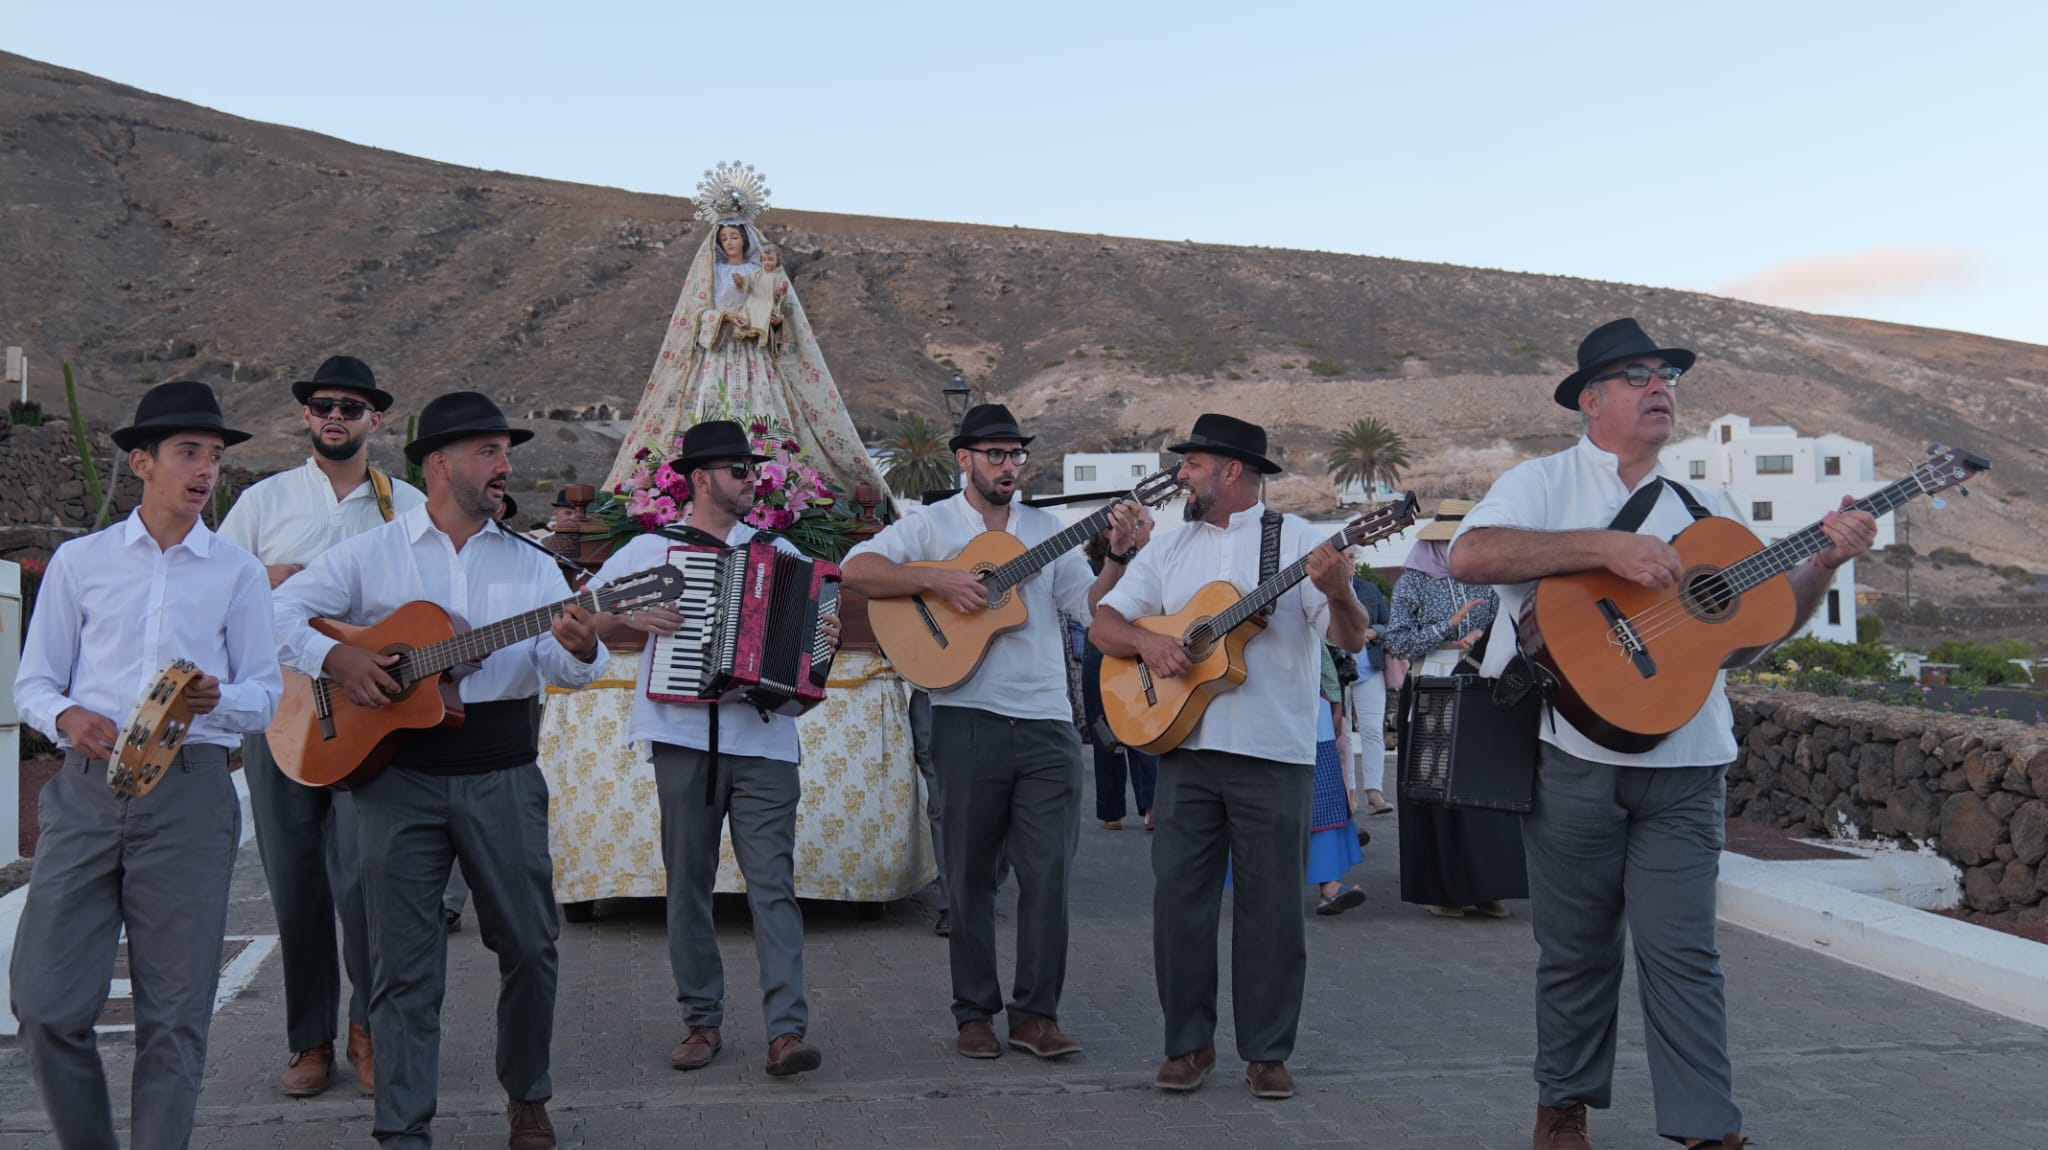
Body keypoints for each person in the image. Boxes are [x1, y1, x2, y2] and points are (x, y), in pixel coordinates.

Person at [1450, 317, 1877, 1150]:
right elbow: (1471, 556)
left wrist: (1823, 563)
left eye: (1668, 376)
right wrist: (1603, 548)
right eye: (1638, 375)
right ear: (1592, 399)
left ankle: (1705, 1126)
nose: (1660, 388)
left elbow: (1745, 635)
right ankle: (1563, 1105)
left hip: (1689, 760)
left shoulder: (1706, 510)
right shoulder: (1540, 483)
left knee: (1685, 952)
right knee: (1576, 949)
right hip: (1571, 750)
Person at [272, 392, 608, 1150]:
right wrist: (341, 658)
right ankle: (402, 1127)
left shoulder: (535, 562)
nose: (505, 466)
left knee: (529, 944)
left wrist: (585, 645)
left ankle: (527, 1093)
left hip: (502, 767)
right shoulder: (373, 553)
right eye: (490, 451)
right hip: (396, 777)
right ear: (439, 463)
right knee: (400, 964)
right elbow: (278, 614)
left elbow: (565, 664)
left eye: (504, 452)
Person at [11, 380, 283, 1150]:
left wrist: (212, 698)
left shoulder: (236, 572)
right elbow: (33, 683)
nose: (206, 470)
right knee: (44, 1002)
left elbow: (264, 699)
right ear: (141, 462)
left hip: (191, 795)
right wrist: (65, 715)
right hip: (86, 794)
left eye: (216, 457)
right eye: (189, 453)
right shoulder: (79, 563)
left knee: (174, 1013)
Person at [843, 403, 1150, 1062]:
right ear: (965, 460)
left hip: (1047, 723)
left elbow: (1091, 612)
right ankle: (974, 1013)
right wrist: (939, 578)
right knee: (970, 876)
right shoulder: (931, 526)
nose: (1008, 466)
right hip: (966, 717)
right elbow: (857, 570)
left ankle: (1037, 1014)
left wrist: (1118, 560)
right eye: (995, 455)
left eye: (1015, 455)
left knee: (1049, 877)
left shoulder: (1049, 529)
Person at [1091, 412, 1370, 1101]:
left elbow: (1354, 637)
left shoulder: (1301, 543)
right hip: (1183, 749)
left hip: (1275, 753)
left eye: (1191, 465)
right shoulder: (1169, 548)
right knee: (1178, 906)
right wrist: (1149, 646)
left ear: (1231, 472)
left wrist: (1338, 590)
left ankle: (1268, 1051)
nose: (1180, 475)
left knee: (1272, 911)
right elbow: (1104, 622)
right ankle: (1188, 1046)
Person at [585, 419, 840, 1079]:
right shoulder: (650, 552)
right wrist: (629, 619)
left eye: (752, 469)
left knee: (773, 887)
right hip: (681, 740)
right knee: (688, 886)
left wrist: (823, 633)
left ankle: (786, 1032)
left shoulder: (781, 555)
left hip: (765, 740)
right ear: (701, 479)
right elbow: (583, 614)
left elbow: (812, 643)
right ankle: (701, 1022)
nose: (750, 479)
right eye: (736, 470)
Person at [217, 354, 422, 1098]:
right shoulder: (263, 503)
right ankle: (309, 1041)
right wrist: (267, 582)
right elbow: (217, 595)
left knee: (366, 881)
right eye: (323, 405)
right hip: (281, 717)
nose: (336, 416)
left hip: (369, 721)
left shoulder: (406, 504)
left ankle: (369, 1030)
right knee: (295, 883)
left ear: (375, 420)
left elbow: (421, 605)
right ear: (306, 417)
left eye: (351, 407)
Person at [1382, 506, 1529, 920]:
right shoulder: (1414, 582)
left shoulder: (1492, 580)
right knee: (1436, 790)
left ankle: (1487, 886)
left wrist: (1486, 639)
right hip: (1432, 689)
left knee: (1484, 787)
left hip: (1484, 687)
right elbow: (1398, 642)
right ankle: (1442, 889)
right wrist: (1449, 627)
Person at [1082, 531, 1158, 832]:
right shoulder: (1090, 566)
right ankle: (1110, 809)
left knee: (1141, 727)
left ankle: (1151, 804)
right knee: (1104, 732)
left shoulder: (1149, 561)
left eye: (1142, 522)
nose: (1138, 528)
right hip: (1098, 654)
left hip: (1134, 652)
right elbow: (1091, 609)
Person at [1345, 575, 1393, 816]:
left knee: (1373, 731)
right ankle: (1347, 792)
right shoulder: (1322, 590)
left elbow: (1390, 623)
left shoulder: (1370, 590)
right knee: (1340, 736)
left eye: (1352, 556)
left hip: (1370, 670)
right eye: (1343, 557)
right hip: (1336, 671)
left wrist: (1373, 631)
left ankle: (1374, 792)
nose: (1348, 562)